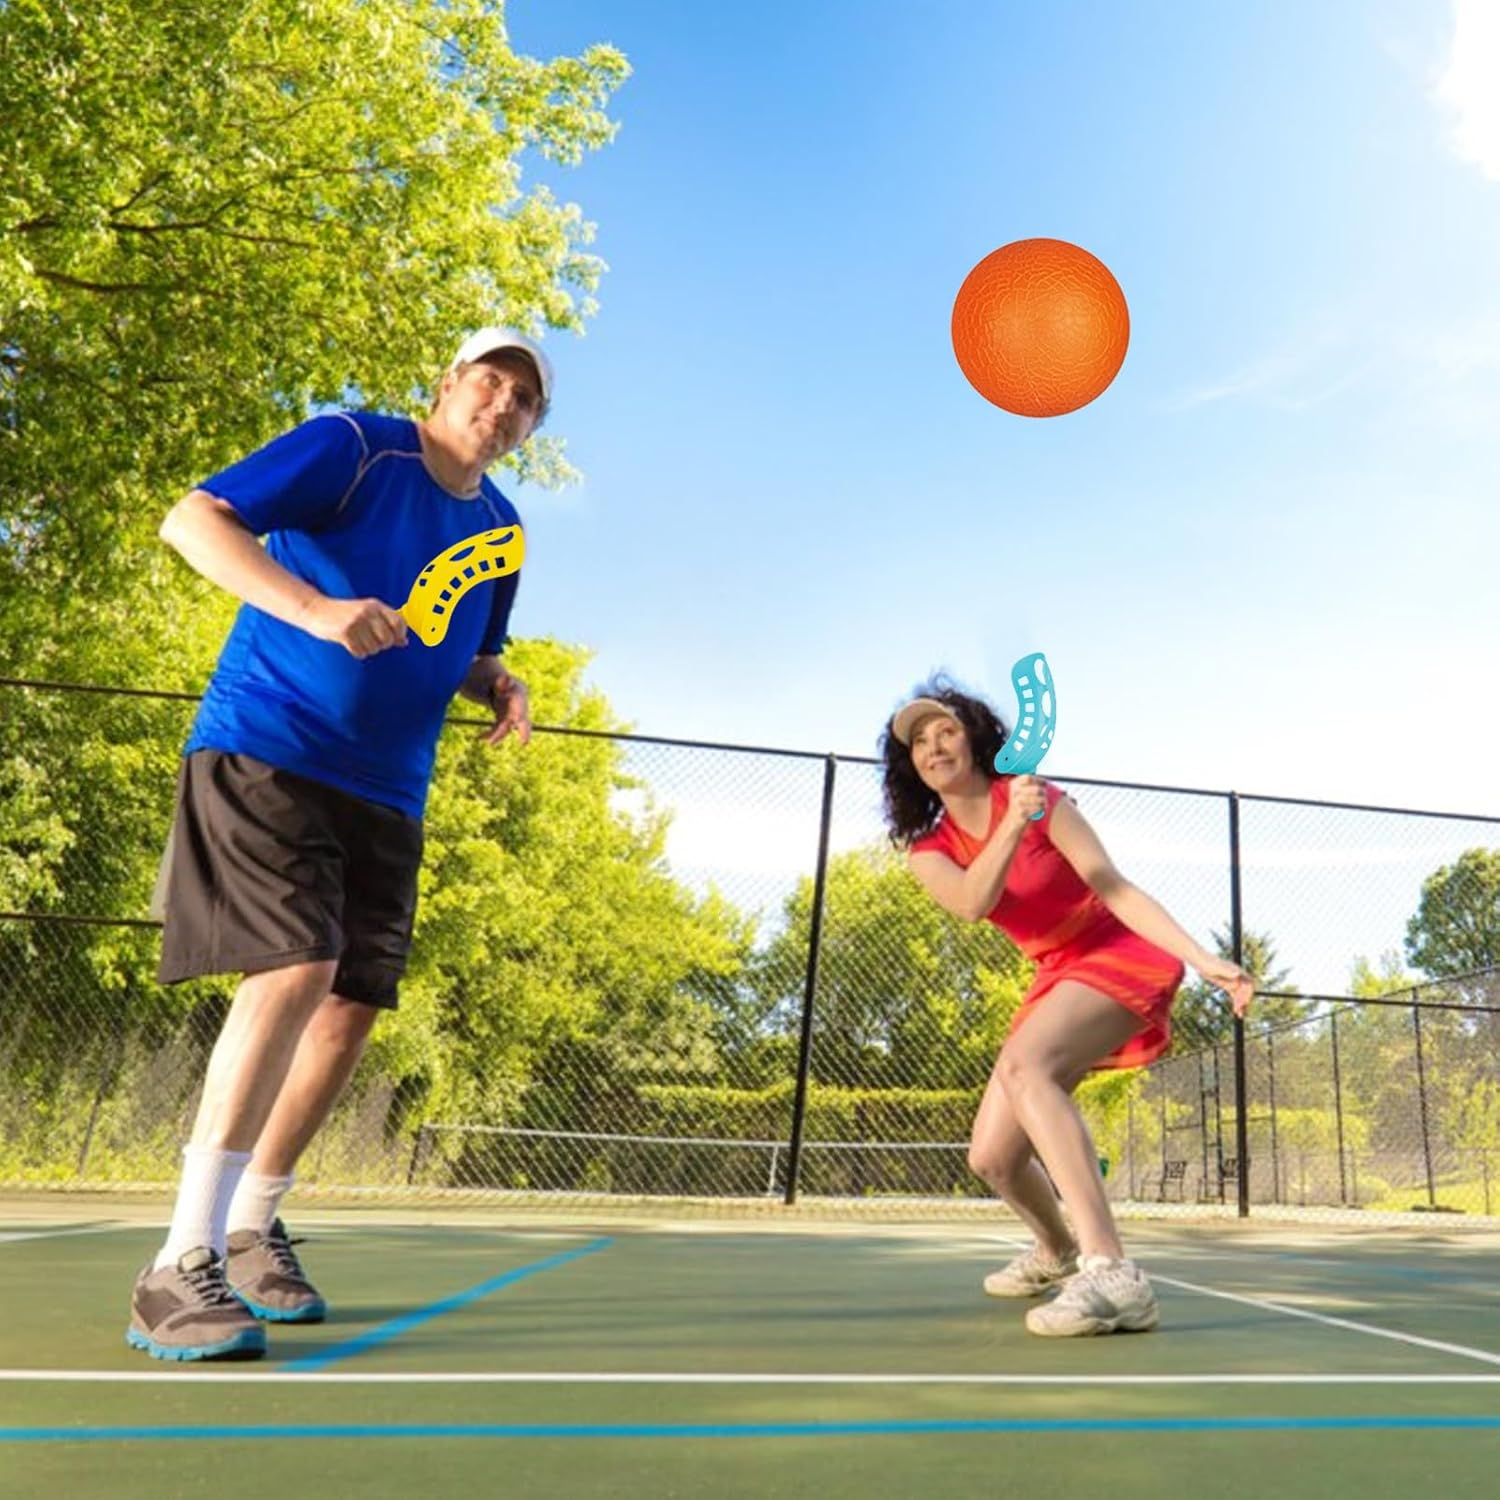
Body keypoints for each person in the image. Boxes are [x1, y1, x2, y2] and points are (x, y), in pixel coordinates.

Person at [127, 329, 552, 1361]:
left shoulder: (501, 530)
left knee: (350, 1005)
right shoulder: (355, 447)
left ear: (533, 426)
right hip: (269, 744)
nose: (501, 404)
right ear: (448, 385)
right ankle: (177, 1261)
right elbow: (193, 520)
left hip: (389, 789)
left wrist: (496, 682)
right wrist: (316, 610)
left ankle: (250, 1225)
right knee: (296, 966)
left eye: (524, 398)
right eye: (488, 381)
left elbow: (459, 644)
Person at [882, 681, 1252, 1338]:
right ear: (910, 765)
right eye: (918, 742)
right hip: (1055, 972)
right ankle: (1055, 1250)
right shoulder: (929, 851)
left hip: (1118, 950)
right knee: (992, 1158)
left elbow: (1113, 887)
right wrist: (1010, 826)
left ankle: (1113, 1273)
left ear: (974, 738)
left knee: (1028, 1068)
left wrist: (1202, 957)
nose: (933, 746)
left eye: (946, 730)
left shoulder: (1041, 798)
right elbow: (971, 901)